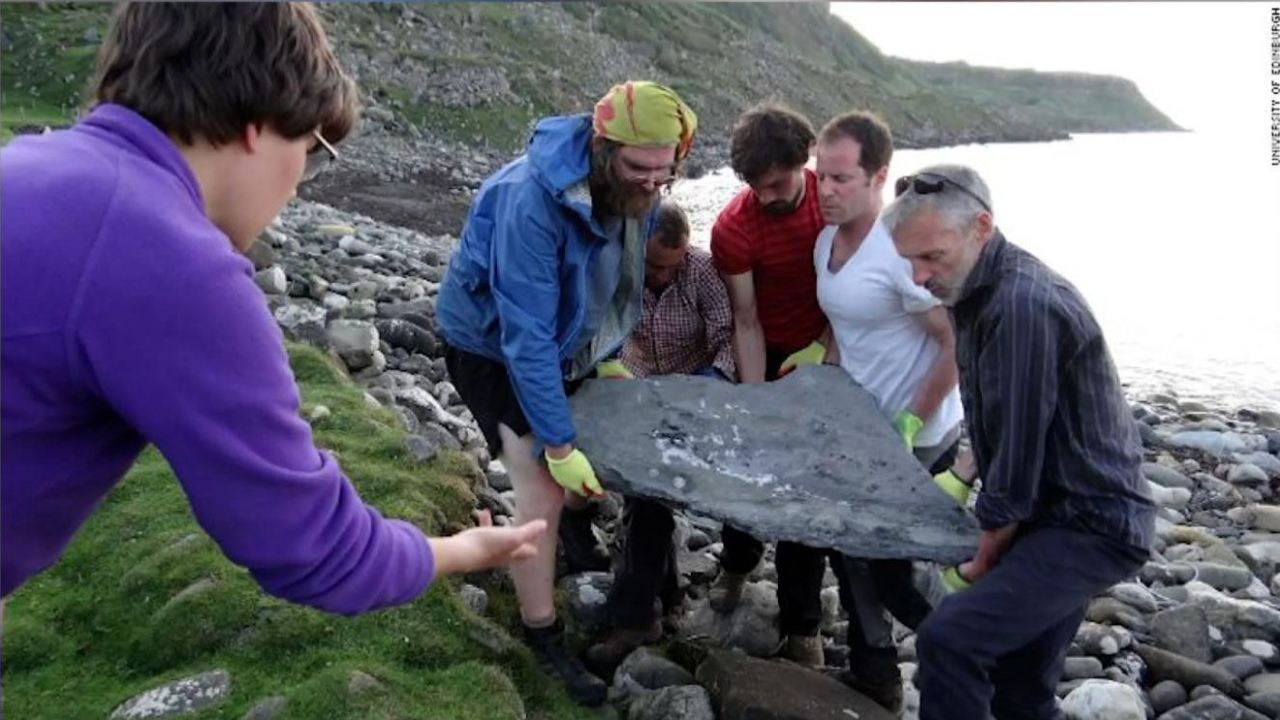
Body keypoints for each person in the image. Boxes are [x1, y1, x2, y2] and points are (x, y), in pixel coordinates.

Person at [0, 3, 545, 617]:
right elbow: (322, 553)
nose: (293, 190)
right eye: (312, 155)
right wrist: (464, 550)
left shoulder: (30, 165)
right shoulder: (175, 263)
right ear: (258, 125)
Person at [435, 81, 698, 706]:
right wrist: (555, 443)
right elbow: (524, 337)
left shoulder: (634, 193)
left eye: (665, 175)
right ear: (603, 148)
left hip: (564, 344)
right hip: (490, 347)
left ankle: (575, 544)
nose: (651, 187)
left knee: (591, 454)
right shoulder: (530, 201)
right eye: (639, 170)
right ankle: (541, 633)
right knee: (541, 487)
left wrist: (603, 360)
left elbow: (607, 286)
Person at [886, 164, 1155, 719]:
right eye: (908, 259)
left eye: (931, 258)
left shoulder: (1021, 305)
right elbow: (994, 419)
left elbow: (1015, 465)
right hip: (1048, 514)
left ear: (981, 227)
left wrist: (979, 565)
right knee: (1021, 688)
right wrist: (963, 472)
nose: (917, 277)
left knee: (950, 642)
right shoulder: (974, 293)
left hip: (1089, 522)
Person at [807, 111, 964, 711]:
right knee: (850, 556)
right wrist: (822, 387)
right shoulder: (826, 242)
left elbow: (952, 340)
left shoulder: (900, 251)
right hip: (858, 432)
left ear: (879, 177)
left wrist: (912, 423)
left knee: (894, 568)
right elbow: (845, 330)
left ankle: (975, 654)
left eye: (842, 178)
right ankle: (876, 672)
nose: (827, 190)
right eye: (822, 177)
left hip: (914, 436)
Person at [583, 199, 736, 675]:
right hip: (632, 389)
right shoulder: (617, 267)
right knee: (644, 499)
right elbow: (594, 326)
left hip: (693, 396)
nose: (662, 278)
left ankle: (636, 615)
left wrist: (708, 388)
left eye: (671, 267)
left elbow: (728, 339)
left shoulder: (704, 273)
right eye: (653, 267)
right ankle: (661, 600)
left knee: (650, 501)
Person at [708, 103, 834, 667]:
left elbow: (857, 293)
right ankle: (736, 563)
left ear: (802, 160)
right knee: (750, 467)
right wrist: (756, 402)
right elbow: (746, 318)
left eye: (778, 183)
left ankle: (802, 622)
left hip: (828, 350)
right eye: (756, 186)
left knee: (807, 491)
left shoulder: (836, 207)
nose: (767, 195)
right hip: (767, 347)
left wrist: (825, 355)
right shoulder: (734, 228)